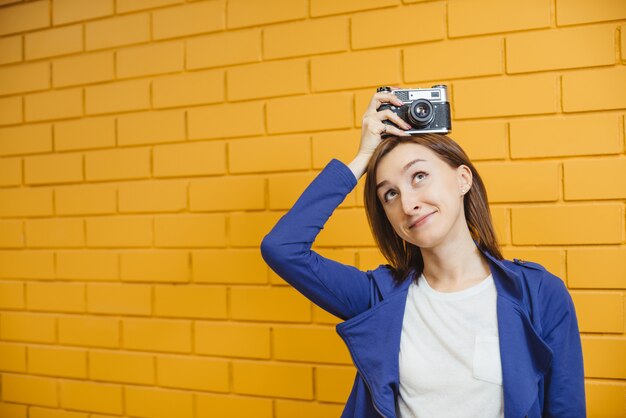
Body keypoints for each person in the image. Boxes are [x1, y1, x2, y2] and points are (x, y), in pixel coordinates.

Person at [260, 90, 586, 418]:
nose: (407, 204)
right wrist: (362, 157)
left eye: (419, 176)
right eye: (389, 193)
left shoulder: (540, 295)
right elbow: (283, 248)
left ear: (463, 179)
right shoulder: (379, 297)